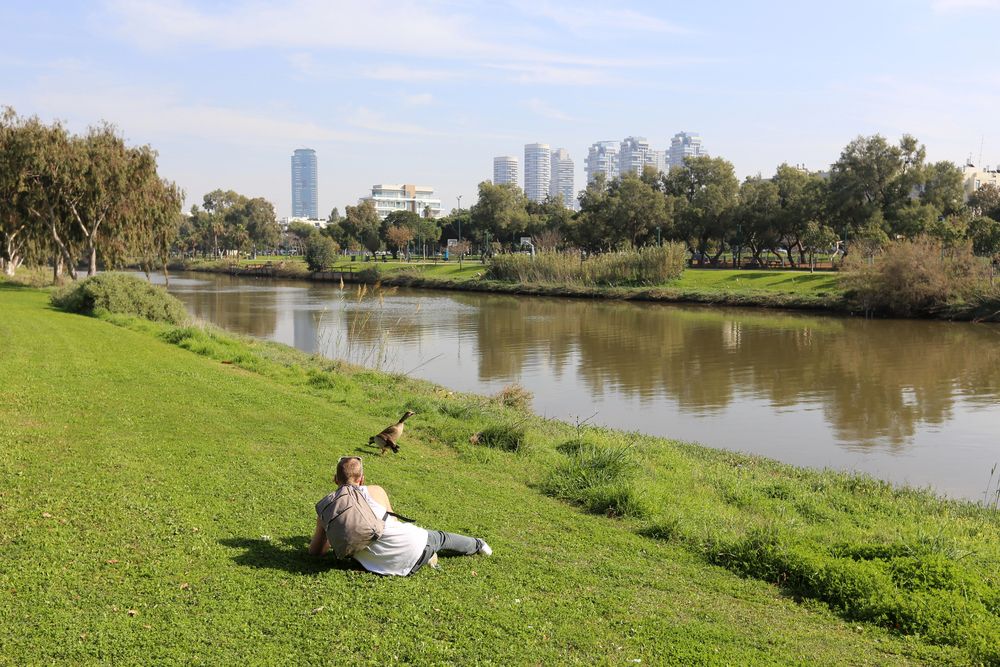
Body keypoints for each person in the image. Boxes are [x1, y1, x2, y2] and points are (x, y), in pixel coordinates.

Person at [309, 456, 492, 576]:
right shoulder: (375, 491)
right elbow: (393, 523)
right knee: (441, 538)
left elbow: (316, 553)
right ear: (362, 479)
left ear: (335, 480)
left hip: (382, 568)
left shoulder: (326, 509)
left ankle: (430, 557)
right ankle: (479, 544)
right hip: (415, 547)